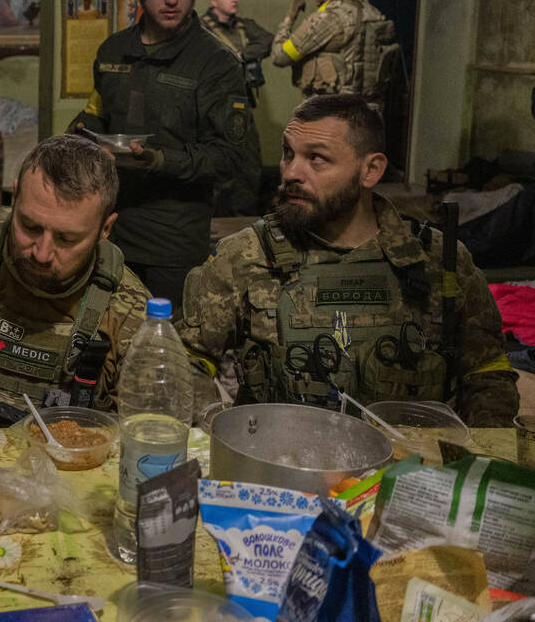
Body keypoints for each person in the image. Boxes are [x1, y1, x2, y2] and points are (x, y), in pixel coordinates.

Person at [178, 95, 520, 427]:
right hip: (283, 470)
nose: (291, 172)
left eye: (317, 158)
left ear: (370, 170)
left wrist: (476, 458)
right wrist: (221, 427)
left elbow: (487, 375)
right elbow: (182, 360)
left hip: (408, 472)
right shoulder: (246, 256)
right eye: (288, 154)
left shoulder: (438, 261)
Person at [0, 135, 213, 426]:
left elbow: (153, 431)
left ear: (105, 230)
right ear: (14, 198)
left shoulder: (130, 310)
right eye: (30, 227)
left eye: (67, 239)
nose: (42, 253)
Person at [72, 0, 248, 310]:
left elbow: (230, 158)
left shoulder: (215, 63)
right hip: (108, 228)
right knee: (100, 339)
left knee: (166, 347)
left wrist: (158, 160)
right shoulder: (112, 51)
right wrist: (82, 135)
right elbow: (96, 112)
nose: (172, 0)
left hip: (174, 240)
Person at [270, 0, 399, 115]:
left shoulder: (328, 18)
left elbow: (280, 56)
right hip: (369, 113)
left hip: (332, 113)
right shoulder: (371, 12)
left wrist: (288, 20)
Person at [203, 0, 273, 216]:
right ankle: (215, 219)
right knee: (219, 165)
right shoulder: (202, 30)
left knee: (250, 164)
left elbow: (267, 40)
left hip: (242, 106)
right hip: (214, 108)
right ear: (214, 1)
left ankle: (245, 217)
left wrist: (242, 54)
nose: (235, 0)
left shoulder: (244, 26)